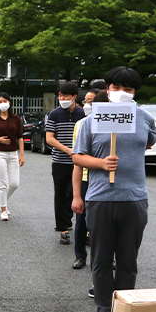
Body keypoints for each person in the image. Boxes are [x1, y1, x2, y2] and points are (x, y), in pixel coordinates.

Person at [72, 67, 156, 312]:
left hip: (134, 198)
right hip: (101, 198)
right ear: (107, 90)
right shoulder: (90, 121)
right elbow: (77, 157)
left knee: (128, 259)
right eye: (117, 88)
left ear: (135, 93)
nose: (122, 93)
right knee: (101, 258)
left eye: (128, 89)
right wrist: (101, 162)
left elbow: (148, 143)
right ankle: (103, 311)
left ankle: (124, 307)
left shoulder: (144, 118)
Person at [70, 91, 108, 271]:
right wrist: (76, 195)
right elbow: (77, 159)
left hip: (109, 180)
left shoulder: (121, 125)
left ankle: (107, 257)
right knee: (82, 219)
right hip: (87, 177)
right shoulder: (82, 124)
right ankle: (80, 255)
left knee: (107, 223)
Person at [46, 82, 85, 245]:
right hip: (60, 161)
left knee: (75, 193)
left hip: (80, 162)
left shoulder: (82, 114)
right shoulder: (54, 114)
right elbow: (49, 138)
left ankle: (74, 223)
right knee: (61, 194)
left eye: (64, 96)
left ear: (74, 97)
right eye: (59, 96)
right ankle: (62, 228)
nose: (61, 99)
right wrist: (68, 150)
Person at [0, 92, 24, 220]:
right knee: (3, 183)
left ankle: (1, 201)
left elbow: (20, 137)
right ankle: (3, 210)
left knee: (14, 183)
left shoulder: (16, 119)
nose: (3, 104)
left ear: (10, 102)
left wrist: (21, 154)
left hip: (13, 154)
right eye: (0, 102)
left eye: (5, 101)